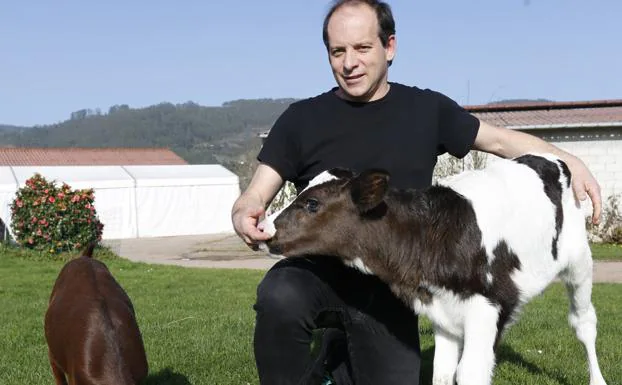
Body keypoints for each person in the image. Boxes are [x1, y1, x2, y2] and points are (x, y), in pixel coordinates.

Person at [231, 1, 602, 384]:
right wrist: (245, 211)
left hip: (393, 290)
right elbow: (257, 192)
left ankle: (335, 359)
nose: (349, 63)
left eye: (362, 48)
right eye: (338, 52)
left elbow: (501, 141)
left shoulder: (425, 109)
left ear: (389, 47)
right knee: (280, 296)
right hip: (317, 274)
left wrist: (569, 160)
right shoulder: (301, 120)